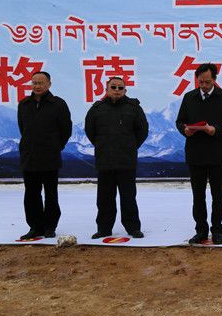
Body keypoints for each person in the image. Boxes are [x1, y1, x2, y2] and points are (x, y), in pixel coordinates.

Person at [175, 63, 222, 245]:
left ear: (214, 80)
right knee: (198, 196)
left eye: (207, 82)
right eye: (200, 82)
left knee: (217, 195)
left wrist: (216, 129)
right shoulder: (189, 97)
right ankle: (201, 231)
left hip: (217, 152)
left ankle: (217, 230)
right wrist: (185, 130)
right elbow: (180, 121)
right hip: (195, 153)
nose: (203, 85)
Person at [85, 77, 148, 239]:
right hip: (104, 160)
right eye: (113, 87)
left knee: (128, 197)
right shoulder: (97, 109)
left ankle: (133, 228)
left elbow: (142, 131)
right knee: (104, 198)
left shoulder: (134, 108)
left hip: (126, 160)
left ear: (125, 90)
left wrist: (130, 147)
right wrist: (102, 146)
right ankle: (104, 229)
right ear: (106, 89)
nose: (117, 90)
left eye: (120, 87)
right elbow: (90, 131)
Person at [17, 71, 72, 240]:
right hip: (29, 157)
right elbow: (23, 128)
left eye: (41, 83)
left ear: (49, 84)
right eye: (34, 83)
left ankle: (49, 226)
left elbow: (66, 129)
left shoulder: (58, 104)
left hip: (50, 157)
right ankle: (35, 227)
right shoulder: (24, 104)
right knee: (31, 194)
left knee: (50, 194)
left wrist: (55, 146)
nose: (37, 86)